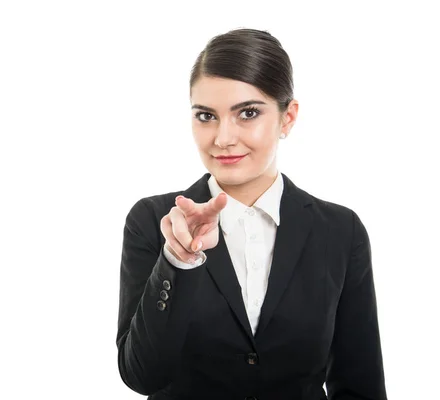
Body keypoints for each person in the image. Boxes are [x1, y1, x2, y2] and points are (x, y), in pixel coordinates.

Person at [115, 28, 387, 400]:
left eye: (247, 113)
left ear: (287, 118)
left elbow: (361, 387)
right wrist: (178, 261)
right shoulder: (153, 220)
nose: (223, 137)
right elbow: (141, 376)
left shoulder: (340, 231)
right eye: (206, 115)